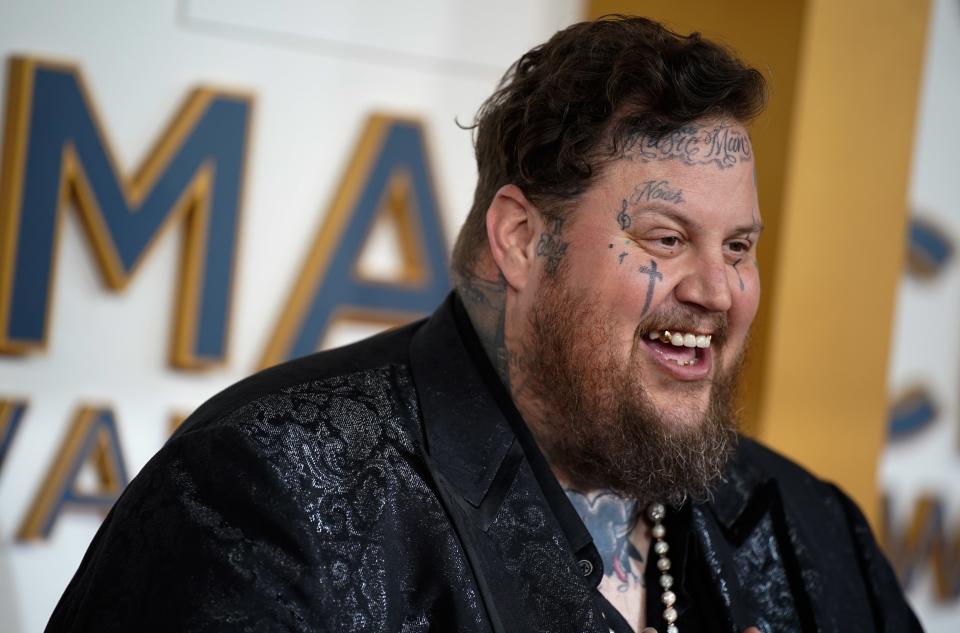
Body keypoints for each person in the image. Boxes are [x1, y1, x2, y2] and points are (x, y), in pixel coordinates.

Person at [47, 15, 920, 633]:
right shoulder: (276, 496)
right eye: (666, 238)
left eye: (738, 246)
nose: (719, 290)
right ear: (521, 237)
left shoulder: (803, 527)